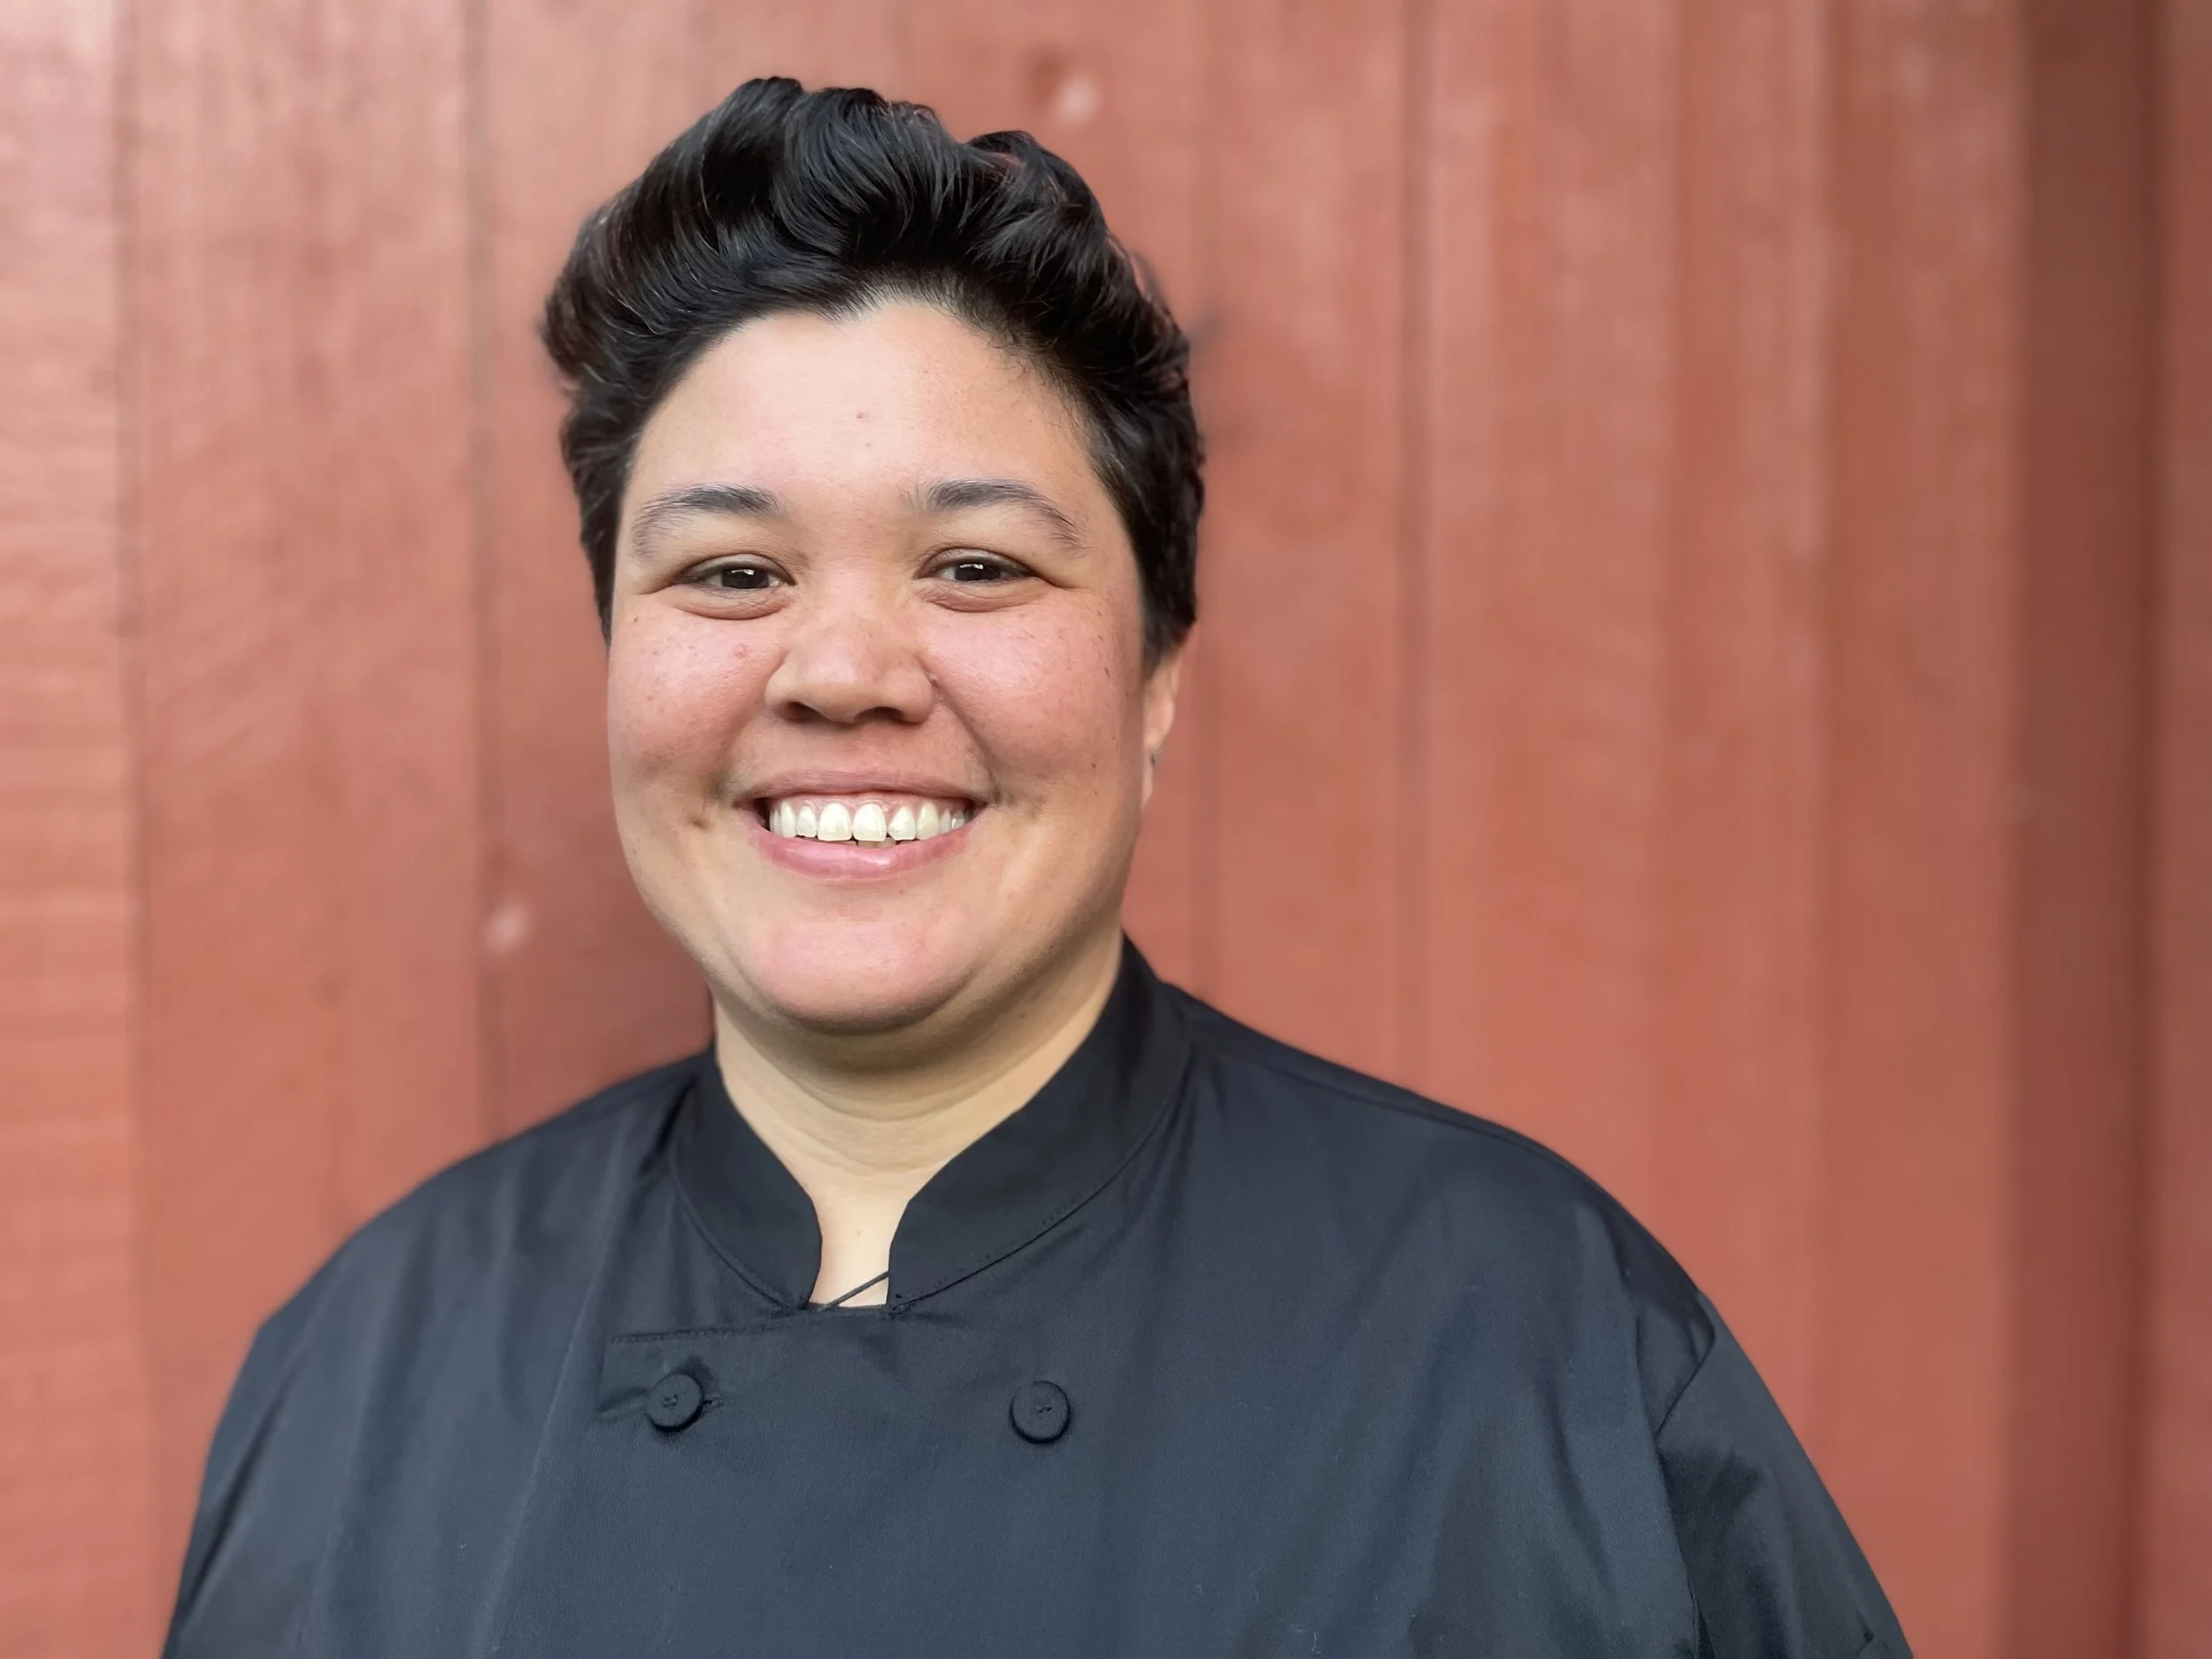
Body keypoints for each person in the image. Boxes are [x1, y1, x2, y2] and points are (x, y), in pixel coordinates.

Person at [164, 78, 1909, 1659]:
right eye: (729, 575)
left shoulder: (1530, 1339)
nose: (842, 669)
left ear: (1156, 676)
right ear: (613, 653)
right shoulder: (363, 1370)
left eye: (977, 566)